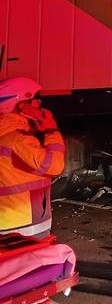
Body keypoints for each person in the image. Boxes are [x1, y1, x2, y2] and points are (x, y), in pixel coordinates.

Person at [0, 77, 65, 239]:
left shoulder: (7, 134)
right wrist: (51, 132)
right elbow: (54, 166)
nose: (39, 106)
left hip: (10, 220)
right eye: (35, 101)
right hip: (23, 225)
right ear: (21, 105)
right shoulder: (18, 139)